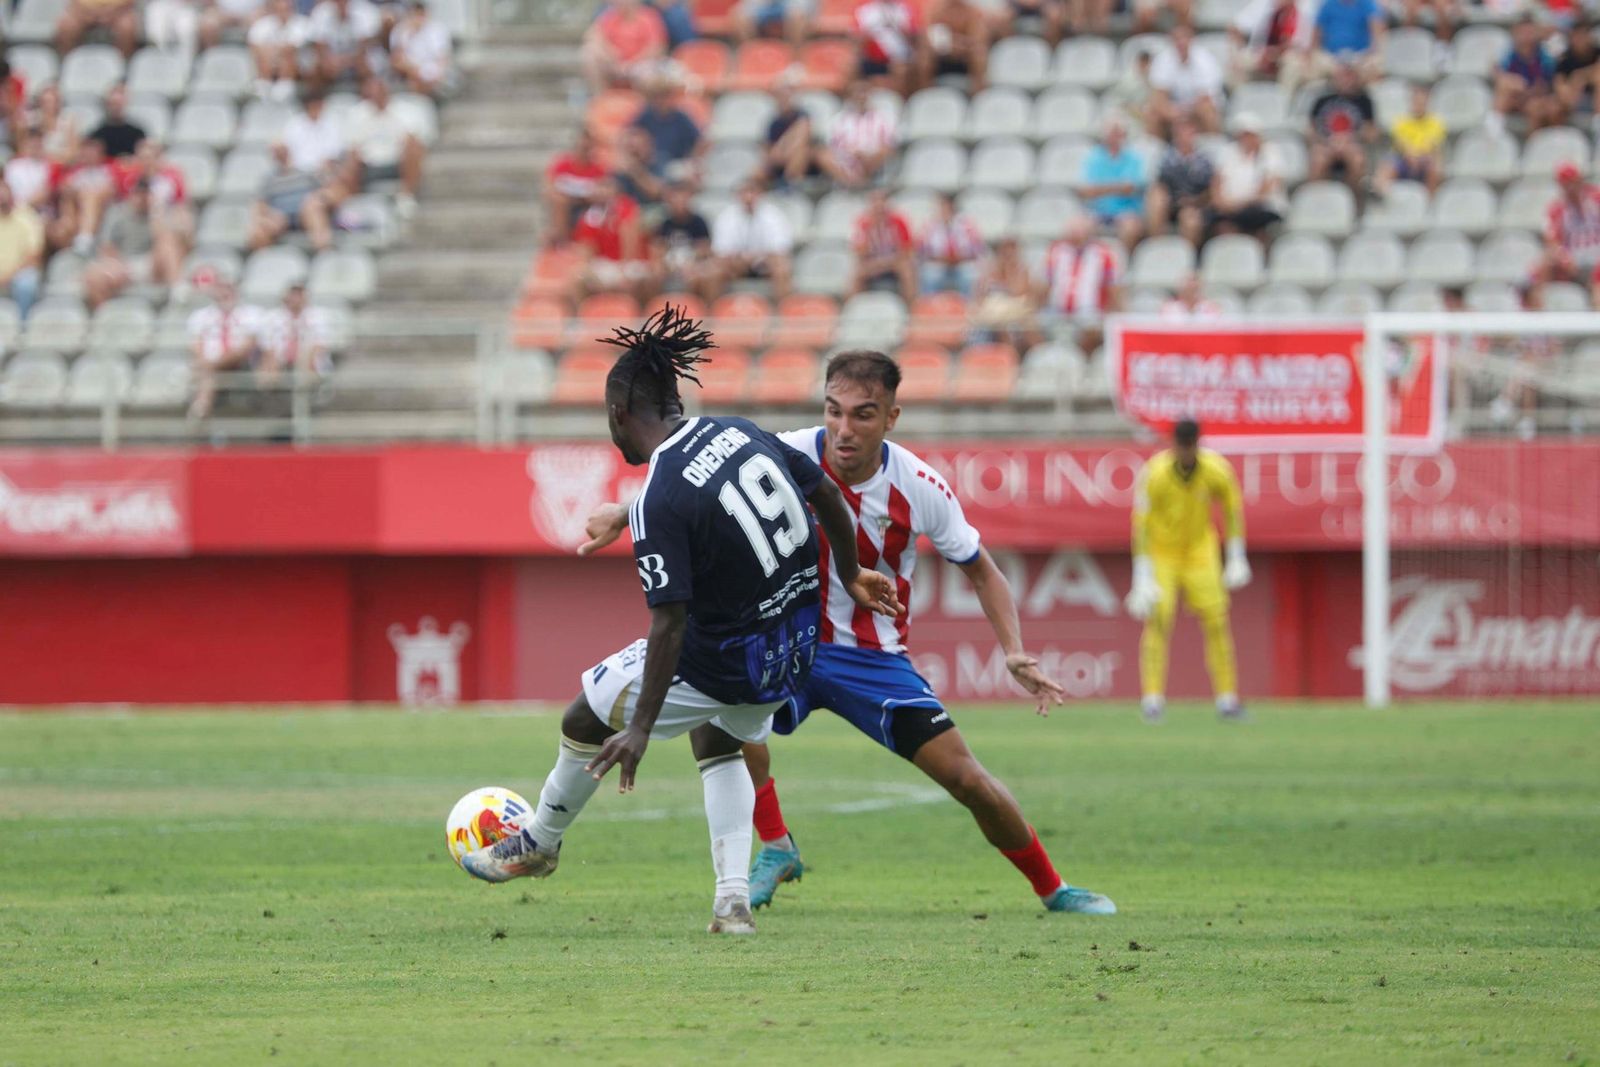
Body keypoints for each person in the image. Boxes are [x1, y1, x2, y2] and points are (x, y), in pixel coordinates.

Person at [577, 349, 1118, 916]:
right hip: (784, 637)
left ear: (891, 418)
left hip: (870, 655)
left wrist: (1013, 651)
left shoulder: (920, 485)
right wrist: (625, 511)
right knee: (719, 718)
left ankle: (1053, 888)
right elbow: (701, 486)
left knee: (966, 778)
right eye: (834, 411)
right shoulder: (794, 448)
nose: (843, 429)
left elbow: (981, 569)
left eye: (863, 414)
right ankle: (776, 845)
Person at [459, 308, 899, 937]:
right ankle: (732, 903)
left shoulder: (660, 494)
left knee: (584, 716)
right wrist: (852, 573)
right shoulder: (738, 429)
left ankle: (539, 840)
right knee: (719, 740)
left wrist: (638, 728)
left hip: (727, 656)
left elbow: (669, 624)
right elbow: (826, 492)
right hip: (796, 646)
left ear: (618, 416)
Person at [1123, 418, 1251, 723]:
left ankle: (1227, 700)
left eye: (1191, 446)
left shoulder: (1216, 470)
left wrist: (1236, 555)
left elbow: (1233, 508)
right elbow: (1140, 523)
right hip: (1162, 554)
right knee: (1159, 620)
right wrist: (1141, 574)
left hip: (1199, 551)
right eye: (1182, 447)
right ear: (1174, 444)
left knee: (1217, 620)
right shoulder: (1154, 474)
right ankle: (1152, 700)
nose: (1186, 452)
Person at [82, 179, 187, 308]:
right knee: (94, 277)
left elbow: (174, 242)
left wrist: (156, 213)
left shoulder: (157, 215)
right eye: (138, 194)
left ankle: (178, 289)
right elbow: (107, 248)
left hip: (147, 263)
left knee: (167, 242)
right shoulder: (117, 213)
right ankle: (104, 316)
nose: (141, 198)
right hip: (122, 262)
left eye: (145, 194)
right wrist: (120, 267)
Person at [343, 75, 427, 219]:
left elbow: (413, 140)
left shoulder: (405, 111)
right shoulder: (357, 114)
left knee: (414, 149)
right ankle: (352, 203)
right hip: (368, 163)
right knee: (350, 160)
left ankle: (405, 196)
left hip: (397, 161)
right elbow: (353, 146)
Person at [1039, 213, 1120, 352]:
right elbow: (1044, 285)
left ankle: (1079, 359)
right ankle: (1049, 356)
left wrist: (1111, 312)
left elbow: (1113, 288)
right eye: (1072, 232)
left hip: (1089, 310)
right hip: (1057, 309)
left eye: (1078, 232)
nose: (1075, 236)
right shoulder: (1055, 251)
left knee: (1092, 329)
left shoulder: (1103, 253)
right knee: (1030, 326)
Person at [187, 280, 262, 419]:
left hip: (241, 363)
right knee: (207, 373)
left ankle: (200, 408)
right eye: (221, 289)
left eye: (228, 289)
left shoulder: (251, 314)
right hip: (209, 363)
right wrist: (204, 361)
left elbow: (248, 346)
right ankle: (201, 407)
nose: (224, 293)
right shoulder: (201, 315)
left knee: (207, 372)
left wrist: (212, 364)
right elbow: (196, 345)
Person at [711, 178, 794, 298]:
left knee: (782, 269)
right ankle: (714, 313)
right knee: (714, 272)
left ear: (760, 194)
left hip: (765, 264)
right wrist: (743, 259)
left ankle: (782, 312)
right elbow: (721, 252)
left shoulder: (774, 215)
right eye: (744, 192)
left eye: (752, 191)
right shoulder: (726, 216)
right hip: (737, 265)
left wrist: (756, 257)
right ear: (737, 195)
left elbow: (780, 249)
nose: (748, 196)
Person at [249, 141, 338, 252]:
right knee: (260, 230)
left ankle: (325, 252)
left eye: (281, 150)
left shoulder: (305, 173)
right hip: (280, 218)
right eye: (275, 152)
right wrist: (262, 218)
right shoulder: (268, 180)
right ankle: (262, 260)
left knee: (313, 209)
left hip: (304, 214)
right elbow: (260, 205)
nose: (279, 154)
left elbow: (324, 191)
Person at [761, 75, 847, 189]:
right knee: (758, 172)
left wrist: (787, 147)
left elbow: (804, 138)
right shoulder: (774, 123)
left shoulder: (803, 116)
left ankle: (848, 183)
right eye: (781, 96)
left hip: (805, 160)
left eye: (787, 95)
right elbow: (772, 154)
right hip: (783, 160)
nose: (784, 99)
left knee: (809, 152)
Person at [1307, 61, 1376, 202]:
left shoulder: (1364, 101)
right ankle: (1318, 203)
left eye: (1349, 76)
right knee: (1317, 159)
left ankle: (1354, 203)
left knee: (1357, 160)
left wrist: (1348, 139)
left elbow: (1371, 133)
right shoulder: (1322, 100)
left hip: (1352, 145)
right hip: (1326, 144)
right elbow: (1311, 130)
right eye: (1342, 76)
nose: (1345, 80)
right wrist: (1329, 142)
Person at [573, 175, 650, 299]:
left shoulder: (626, 207)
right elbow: (587, 249)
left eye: (607, 187)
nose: (603, 192)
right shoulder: (590, 216)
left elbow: (630, 237)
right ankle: (582, 315)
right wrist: (589, 270)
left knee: (630, 282)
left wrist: (623, 268)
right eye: (600, 187)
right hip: (605, 264)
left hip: (629, 262)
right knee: (577, 279)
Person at [1208, 116, 1284, 240]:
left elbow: (1265, 190)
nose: (1247, 139)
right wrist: (1224, 204)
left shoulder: (1269, 152)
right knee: (1222, 225)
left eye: (1251, 135)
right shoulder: (1227, 152)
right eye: (1244, 135)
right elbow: (1216, 185)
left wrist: (1236, 205)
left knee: (1259, 226)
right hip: (1231, 208)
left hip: (1260, 208)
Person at [1146, 116, 1214, 248]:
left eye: (1187, 131)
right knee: (1156, 199)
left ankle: (1186, 257)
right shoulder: (1165, 158)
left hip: (1194, 205)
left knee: (1189, 218)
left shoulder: (1205, 160)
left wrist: (1193, 201)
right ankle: (1155, 247)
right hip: (1170, 203)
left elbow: (1209, 191)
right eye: (1180, 132)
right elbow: (1160, 184)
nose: (1183, 135)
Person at [1078, 118, 1146, 249]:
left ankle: (1126, 263)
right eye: (1111, 132)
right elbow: (1086, 191)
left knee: (1130, 228)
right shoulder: (1093, 157)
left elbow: (1130, 188)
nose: (1114, 136)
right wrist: (1117, 187)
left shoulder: (1134, 157)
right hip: (1098, 210)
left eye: (1118, 132)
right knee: (1078, 227)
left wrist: (1100, 189)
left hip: (1126, 210)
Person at [1148, 24, 1224, 136]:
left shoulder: (1205, 60)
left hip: (1198, 108)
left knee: (1208, 111)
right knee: (1152, 113)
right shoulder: (1163, 60)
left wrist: (1184, 112)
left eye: (1184, 38)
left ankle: (1212, 145)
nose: (1181, 43)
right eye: (1177, 39)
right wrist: (1172, 112)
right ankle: (1156, 149)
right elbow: (1159, 96)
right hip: (1173, 109)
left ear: (1192, 40)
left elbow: (1205, 98)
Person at [1536, 161, 1600, 293]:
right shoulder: (1556, 210)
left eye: (1573, 182)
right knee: (1543, 266)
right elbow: (1552, 242)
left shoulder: (1596, 198)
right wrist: (1565, 259)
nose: (1571, 188)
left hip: (1597, 254)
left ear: (1580, 181)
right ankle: (1539, 309)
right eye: (1566, 184)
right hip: (1574, 260)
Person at [628, 74, 705, 183]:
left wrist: (692, 160)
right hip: (651, 162)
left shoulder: (681, 117)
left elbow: (699, 141)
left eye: (665, 96)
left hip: (676, 163)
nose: (662, 100)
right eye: (657, 96)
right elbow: (631, 134)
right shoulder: (645, 115)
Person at [1491, 17, 1562, 133]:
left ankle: (1538, 143)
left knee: (1537, 108)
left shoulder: (1544, 56)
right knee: (1504, 88)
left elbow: (1543, 86)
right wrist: (1515, 84)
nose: (1526, 37)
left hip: (1538, 98)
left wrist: (1525, 89)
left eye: (1530, 32)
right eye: (1523, 33)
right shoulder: (1510, 54)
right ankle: (1493, 130)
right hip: (1517, 97)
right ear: (1516, 34)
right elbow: (1497, 71)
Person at [1292, 0, 1384, 88]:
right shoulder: (1329, 4)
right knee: (1302, 66)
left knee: (1374, 65)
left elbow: (1376, 31)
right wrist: (1310, 55)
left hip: (1360, 57)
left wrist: (1370, 53)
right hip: (1331, 58)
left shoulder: (1367, 4)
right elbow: (1317, 33)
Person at [582, 0, 669, 94]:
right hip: (614, 64)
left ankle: (645, 105)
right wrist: (610, 54)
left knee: (649, 70)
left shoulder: (649, 16)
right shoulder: (609, 16)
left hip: (640, 66)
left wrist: (630, 64)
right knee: (590, 53)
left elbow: (656, 48)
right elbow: (593, 36)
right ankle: (601, 98)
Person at [255, 283, 333, 386]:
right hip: (279, 360)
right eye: (293, 295)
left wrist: (307, 359)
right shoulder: (272, 316)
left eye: (299, 295)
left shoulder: (318, 316)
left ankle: (303, 396)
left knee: (307, 367)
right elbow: (266, 344)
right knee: (266, 371)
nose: (296, 299)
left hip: (308, 359)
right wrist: (273, 359)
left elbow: (321, 343)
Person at [1375, 82, 1444, 195]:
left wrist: (1418, 157)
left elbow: (1433, 147)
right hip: (1404, 159)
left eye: (1422, 101)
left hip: (1425, 159)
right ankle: (1385, 197)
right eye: (1416, 101)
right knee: (1387, 166)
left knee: (1435, 167)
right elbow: (1402, 145)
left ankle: (1429, 202)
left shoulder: (1436, 123)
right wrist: (1411, 156)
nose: (1419, 104)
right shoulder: (1401, 121)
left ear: (1427, 102)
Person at [850, 186, 917, 304]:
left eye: (882, 202)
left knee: (907, 271)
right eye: (875, 203)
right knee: (856, 275)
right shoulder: (863, 224)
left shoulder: (899, 222)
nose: (879, 207)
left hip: (894, 262)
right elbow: (859, 252)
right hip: (873, 262)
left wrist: (888, 262)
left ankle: (909, 308)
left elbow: (907, 250)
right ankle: (853, 307)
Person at [654, 181, 717, 301]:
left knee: (699, 277)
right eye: (676, 199)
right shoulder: (665, 223)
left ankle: (694, 308)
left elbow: (705, 249)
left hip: (694, 265)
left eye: (683, 198)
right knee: (653, 275)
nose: (679, 203)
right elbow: (658, 249)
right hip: (671, 264)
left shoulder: (699, 222)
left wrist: (690, 263)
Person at [828, 80, 898, 187]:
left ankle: (857, 183)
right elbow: (834, 147)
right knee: (822, 155)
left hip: (873, 158)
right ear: (849, 97)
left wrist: (867, 155)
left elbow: (889, 146)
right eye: (856, 93)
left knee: (883, 152)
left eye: (863, 92)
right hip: (847, 159)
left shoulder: (883, 118)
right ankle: (855, 182)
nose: (860, 96)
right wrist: (852, 154)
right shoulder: (839, 119)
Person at [1228, 0, 1314, 88]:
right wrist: (1239, 50)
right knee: (1239, 63)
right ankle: (1236, 98)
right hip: (1264, 52)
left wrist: (1273, 54)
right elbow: (1234, 28)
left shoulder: (1306, 6)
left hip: (1292, 55)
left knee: (1293, 65)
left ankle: (1286, 100)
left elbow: (1301, 43)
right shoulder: (1265, 4)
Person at [543, 129, 606, 246]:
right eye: (581, 147)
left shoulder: (598, 169)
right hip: (565, 205)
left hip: (587, 207)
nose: (584, 151)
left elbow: (602, 193)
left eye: (587, 148)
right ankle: (562, 240)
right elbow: (549, 189)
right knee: (559, 202)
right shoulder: (562, 165)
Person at [917, 191, 984, 296]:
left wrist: (957, 258)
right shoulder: (929, 226)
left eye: (945, 207)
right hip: (938, 264)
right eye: (940, 207)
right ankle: (929, 307)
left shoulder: (967, 225)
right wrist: (943, 259)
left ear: (952, 208)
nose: (942, 210)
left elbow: (976, 250)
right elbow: (922, 251)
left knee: (970, 276)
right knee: (928, 275)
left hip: (961, 264)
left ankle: (969, 308)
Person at [248, 0, 313, 102]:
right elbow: (255, 47)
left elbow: (292, 48)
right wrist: (273, 52)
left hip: (298, 68)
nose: (283, 13)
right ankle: (263, 90)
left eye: (286, 9)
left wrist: (273, 50)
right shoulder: (263, 24)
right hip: (270, 64)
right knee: (263, 56)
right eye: (279, 10)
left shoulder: (303, 24)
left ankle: (282, 93)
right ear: (273, 10)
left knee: (287, 57)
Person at [309, 0, 382, 90]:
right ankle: (317, 99)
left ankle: (368, 98)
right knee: (316, 68)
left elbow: (364, 46)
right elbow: (320, 46)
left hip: (359, 58)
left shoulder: (366, 10)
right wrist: (331, 60)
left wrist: (346, 61)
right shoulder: (321, 11)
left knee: (364, 63)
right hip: (333, 60)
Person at [854, 0, 922, 96]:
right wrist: (870, 32)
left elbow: (914, 39)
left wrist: (897, 26)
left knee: (900, 70)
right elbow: (858, 40)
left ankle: (900, 102)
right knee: (851, 66)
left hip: (899, 58)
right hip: (873, 58)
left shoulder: (904, 9)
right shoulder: (866, 11)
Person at [920, 0, 989, 93]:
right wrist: (949, 46)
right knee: (924, 57)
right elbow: (929, 39)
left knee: (979, 54)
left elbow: (978, 40)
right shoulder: (935, 11)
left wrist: (955, 44)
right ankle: (927, 95)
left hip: (965, 58)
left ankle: (978, 95)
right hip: (940, 57)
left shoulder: (973, 12)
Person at [389, 0, 455, 97]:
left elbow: (443, 58)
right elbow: (396, 58)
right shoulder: (400, 30)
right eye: (415, 15)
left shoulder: (437, 30)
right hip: (409, 71)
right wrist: (408, 34)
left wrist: (437, 74)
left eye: (421, 15)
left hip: (431, 70)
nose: (418, 19)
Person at [0, 183, 44, 320]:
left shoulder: (26, 216)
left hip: (19, 273)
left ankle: (22, 331)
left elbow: (33, 256)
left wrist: (7, 276)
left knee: (26, 284)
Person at [57, 0, 140, 57]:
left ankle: (124, 65)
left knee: (127, 27)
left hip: (119, 11)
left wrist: (110, 12)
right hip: (84, 11)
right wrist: (87, 12)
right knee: (67, 26)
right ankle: (67, 63)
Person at [89, 85, 147, 160]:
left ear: (125, 104)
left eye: (119, 104)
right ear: (107, 104)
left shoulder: (137, 133)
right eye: (113, 104)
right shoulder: (97, 135)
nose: (116, 108)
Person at [1555, 20, 1598, 118]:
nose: (1580, 39)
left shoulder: (1597, 53)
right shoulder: (1565, 58)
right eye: (1577, 36)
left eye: (1584, 35)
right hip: (1575, 97)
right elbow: (1559, 83)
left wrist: (1582, 75)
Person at [735, 0, 814, 45]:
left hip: (792, 3)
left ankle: (795, 61)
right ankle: (753, 57)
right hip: (765, 3)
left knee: (797, 16)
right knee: (740, 16)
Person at [1159, 273, 1224, 319]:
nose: (1192, 285)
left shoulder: (1211, 307)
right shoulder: (1169, 308)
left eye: (1194, 281)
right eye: (1188, 282)